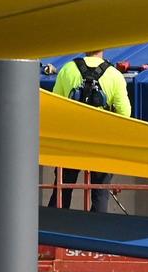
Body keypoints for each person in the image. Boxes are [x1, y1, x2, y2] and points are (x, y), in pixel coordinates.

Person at [47, 50, 130, 212]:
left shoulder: (67, 69)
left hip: (71, 141)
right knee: (100, 191)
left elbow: (55, 106)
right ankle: (96, 230)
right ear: (104, 48)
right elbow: (125, 113)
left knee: (62, 189)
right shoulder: (114, 74)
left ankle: (54, 230)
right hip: (102, 142)